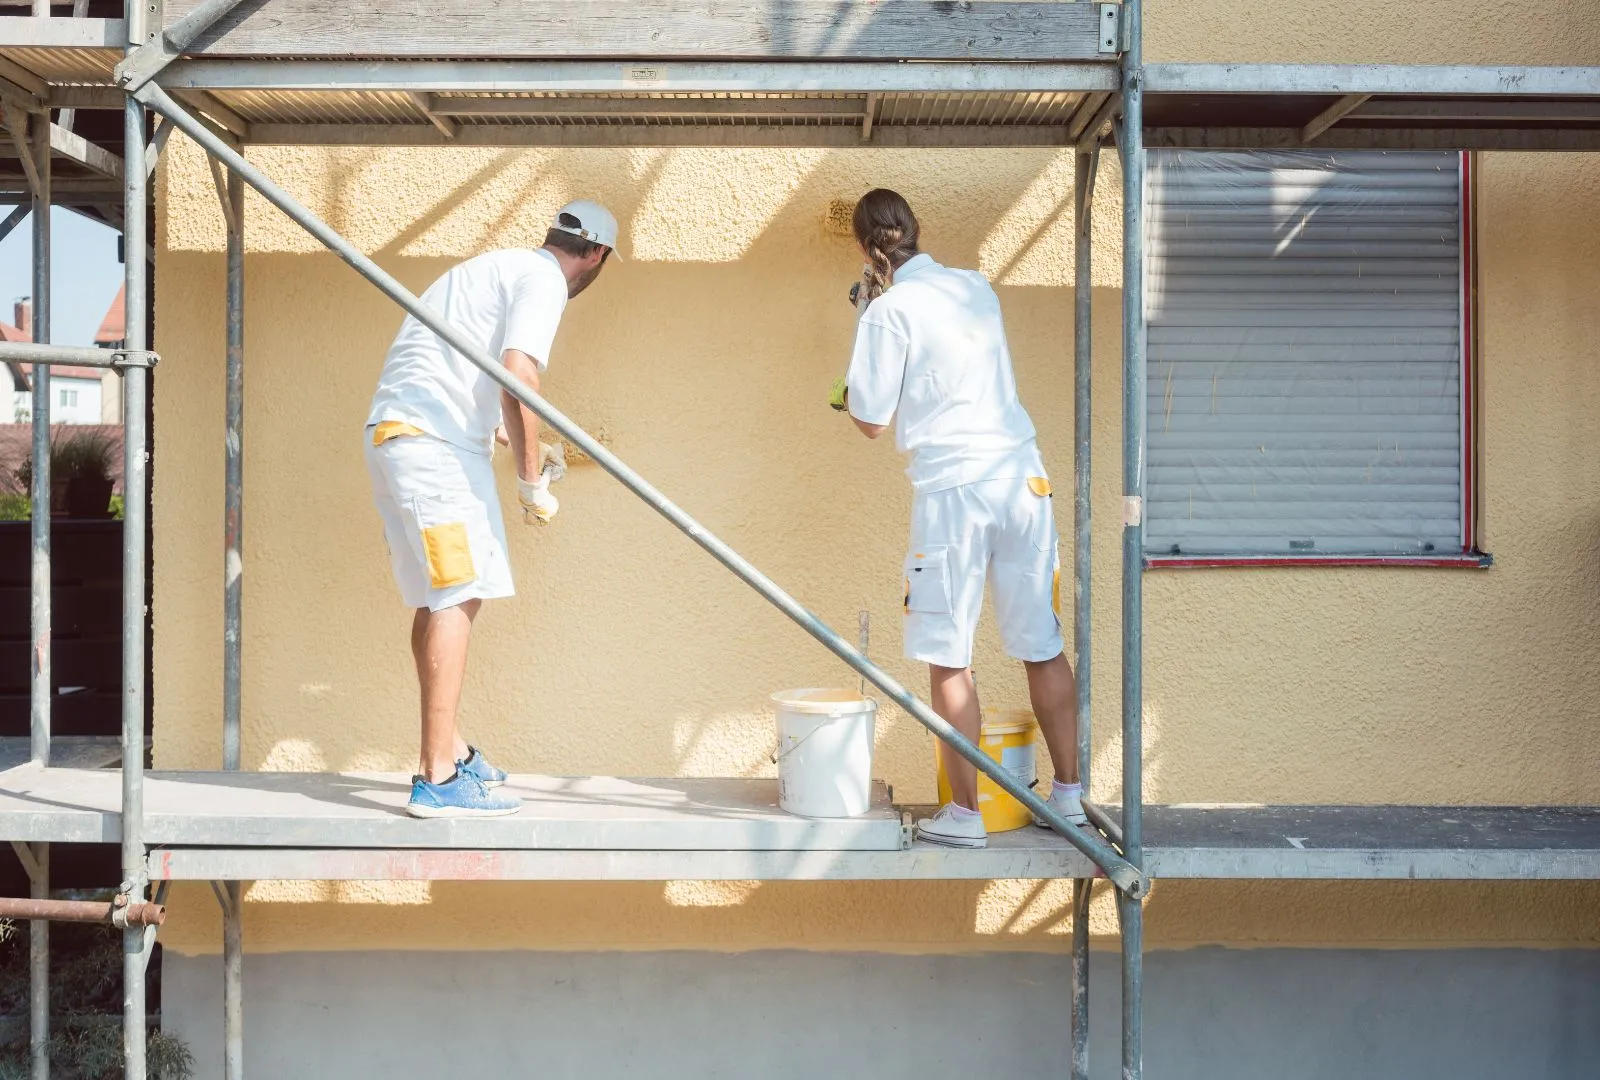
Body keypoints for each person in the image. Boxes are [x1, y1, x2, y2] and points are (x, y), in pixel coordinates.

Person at [830, 188, 1084, 849]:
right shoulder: (976, 288)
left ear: (864, 248)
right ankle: (1070, 797)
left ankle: (966, 816)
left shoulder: (887, 315)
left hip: (954, 491)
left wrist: (862, 335)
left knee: (948, 656)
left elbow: (869, 420)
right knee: (1042, 643)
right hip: (1023, 478)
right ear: (917, 229)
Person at [365, 200, 620, 818]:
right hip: (435, 450)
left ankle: (451, 750)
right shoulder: (544, 281)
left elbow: (471, 379)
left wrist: (518, 440)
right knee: (459, 594)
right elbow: (516, 376)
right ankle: (438, 778)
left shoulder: (492, 268)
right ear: (596, 255)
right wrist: (531, 481)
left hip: (400, 435)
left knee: (438, 598)